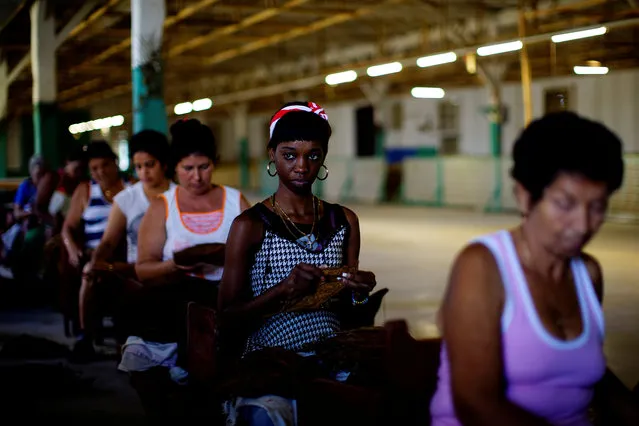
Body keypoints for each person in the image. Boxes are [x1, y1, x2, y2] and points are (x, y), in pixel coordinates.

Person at [430, 112, 639, 426]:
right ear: (525, 197)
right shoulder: (483, 267)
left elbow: (584, 372)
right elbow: (475, 403)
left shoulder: (588, 274)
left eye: (597, 206)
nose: (583, 225)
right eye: (565, 204)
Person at [218, 101, 378, 426]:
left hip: (334, 350)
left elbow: (351, 307)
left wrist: (360, 291)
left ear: (323, 158)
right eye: (290, 155)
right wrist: (284, 290)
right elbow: (227, 317)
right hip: (271, 354)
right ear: (272, 155)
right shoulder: (250, 225)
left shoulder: (343, 220)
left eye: (313, 155)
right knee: (263, 416)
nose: (302, 166)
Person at [129, 118, 249, 420]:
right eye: (187, 168)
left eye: (204, 167)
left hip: (226, 299)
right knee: (141, 347)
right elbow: (143, 269)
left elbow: (257, 259)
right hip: (175, 300)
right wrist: (175, 265)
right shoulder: (162, 206)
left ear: (215, 163)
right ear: (174, 168)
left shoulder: (236, 202)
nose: (196, 177)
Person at [72, 130, 174, 359]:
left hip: (170, 267)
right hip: (133, 269)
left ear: (164, 164)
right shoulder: (127, 198)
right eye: (138, 166)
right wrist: (95, 261)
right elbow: (108, 241)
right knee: (92, 275)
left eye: (150, 165)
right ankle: (85, 337)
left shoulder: (180, 195)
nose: (144, 172)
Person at [60, 141, 128, 335]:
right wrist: (73, 250)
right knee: (90, 273)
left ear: (115, 163)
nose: (101, 172)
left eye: (106, 165)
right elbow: (68, 228)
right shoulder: (86, 190)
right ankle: (86, 334)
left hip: (123, 252)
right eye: (94, 168)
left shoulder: (130, 187)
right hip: (91, 253)